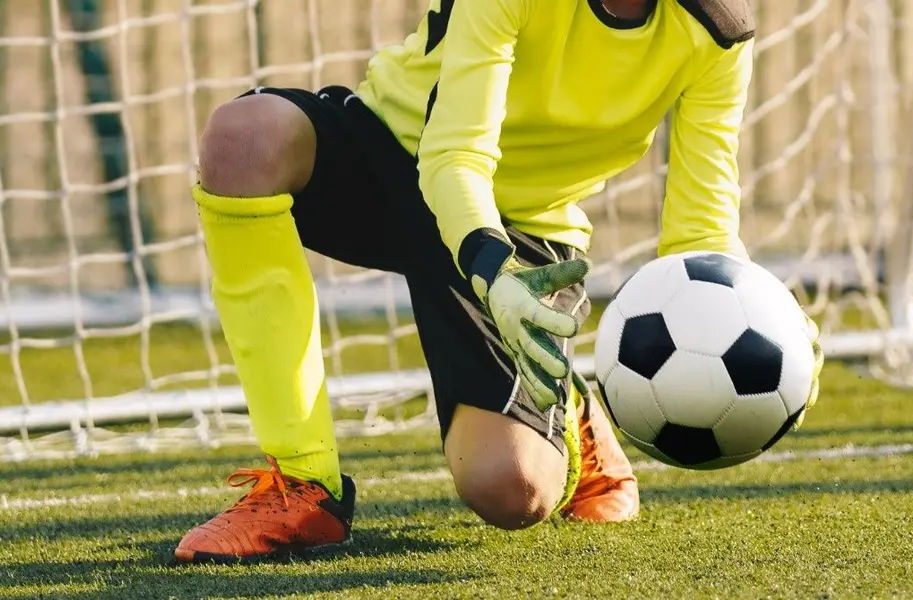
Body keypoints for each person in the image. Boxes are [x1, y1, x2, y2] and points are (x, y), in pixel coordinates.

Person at [173, 0, 757, 563]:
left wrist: (761, 320)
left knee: (512, 489)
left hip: (526, 227)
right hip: (399, 152)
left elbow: (699, 234)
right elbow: (455, 155)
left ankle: (568, 412)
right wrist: (487, 265)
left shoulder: (718, 30)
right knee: (244, 139)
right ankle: (301, 484)